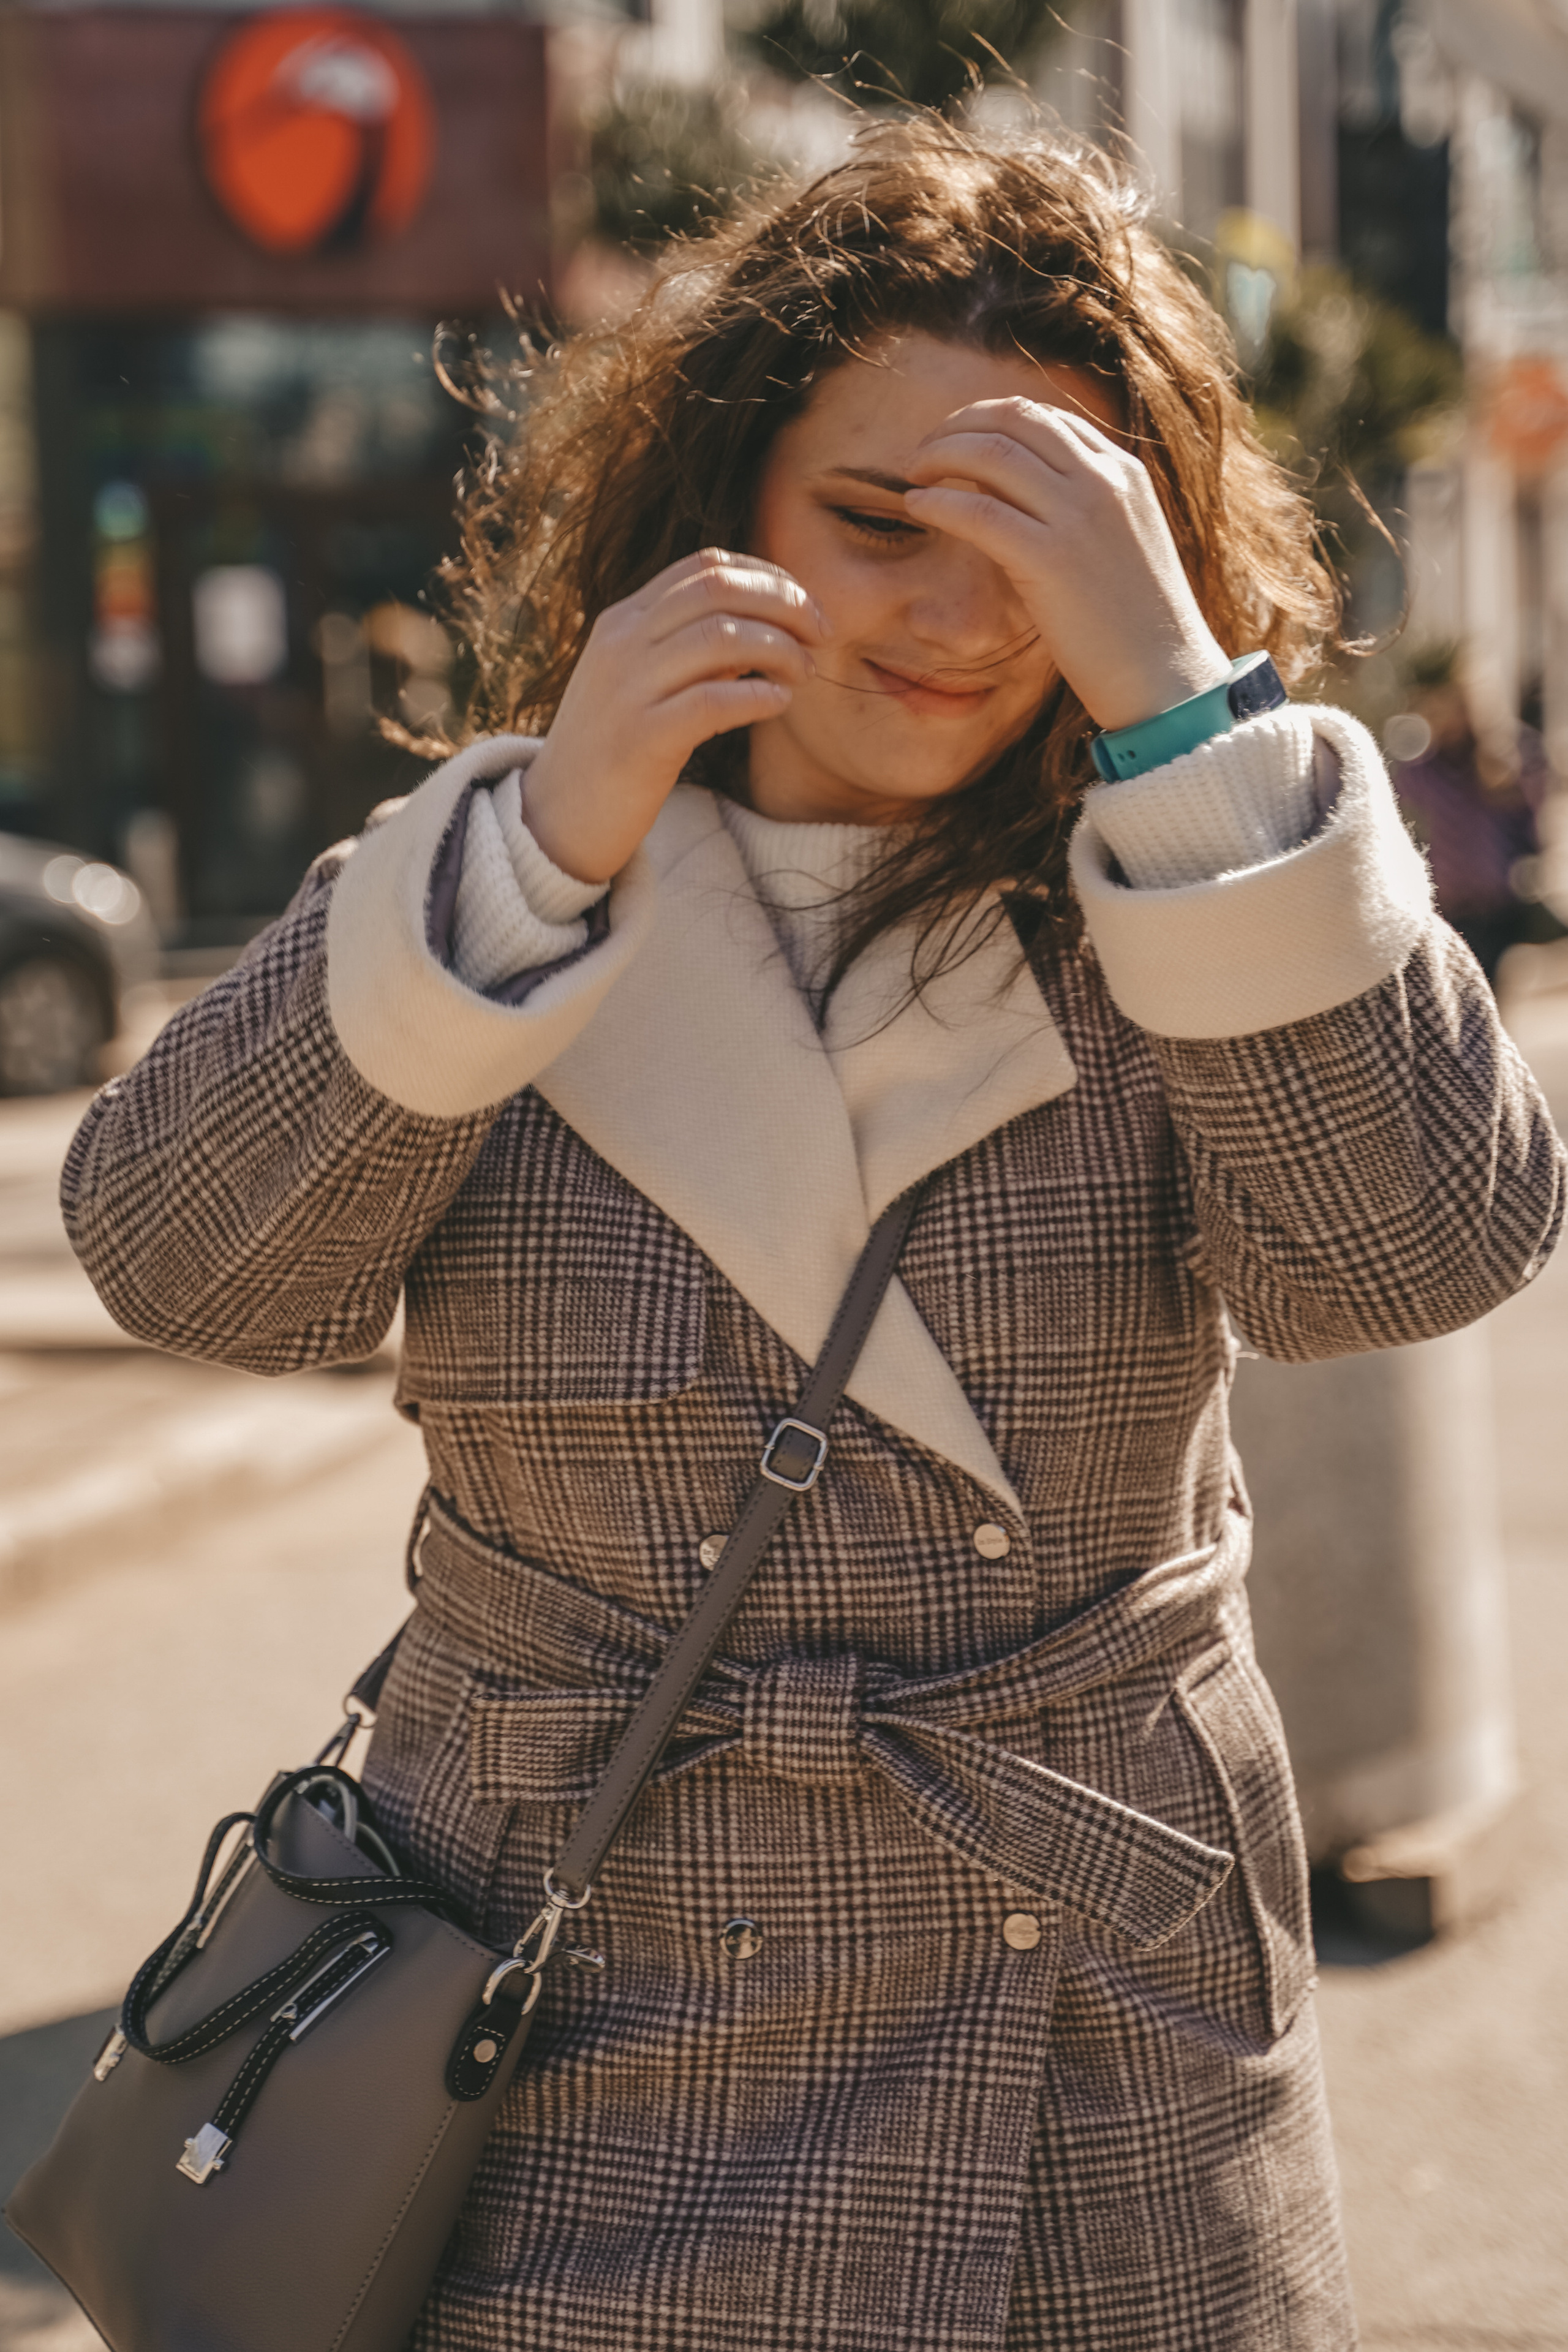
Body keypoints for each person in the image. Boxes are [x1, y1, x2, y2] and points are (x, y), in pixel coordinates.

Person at [61, 116, 1563, 2352]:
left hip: (1089, 2036)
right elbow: (189, 1270)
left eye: (1048, 538)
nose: (956, 619)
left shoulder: (1187, 880)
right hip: (555, 2031)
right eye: (876, 519)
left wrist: (1179, 710)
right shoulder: (498, 873)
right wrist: (546, 846)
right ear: (718, 502)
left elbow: (1410, 1256)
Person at [1390, 668, 1555, 986]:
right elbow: (1403, 790)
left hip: (1492, 894)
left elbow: (1530, 816)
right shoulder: (1428, 766)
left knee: (1487, 988)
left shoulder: (1498, 763)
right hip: (1449, 896)